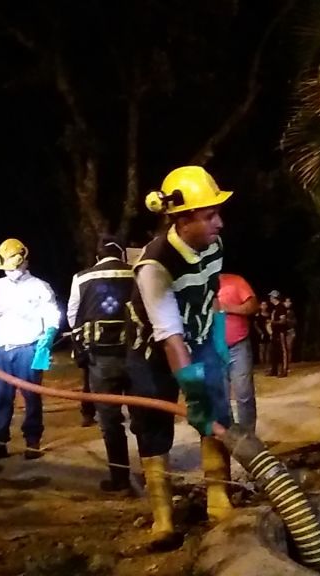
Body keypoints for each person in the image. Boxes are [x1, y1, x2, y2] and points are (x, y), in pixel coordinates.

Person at [125, 165, 234, 548]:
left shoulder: (214, 246)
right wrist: (193, 391)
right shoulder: (155, 265)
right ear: (183, 219)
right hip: (153, 354)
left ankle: (219, 498)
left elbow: (212, 297)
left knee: (217, 414)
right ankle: (163, 518)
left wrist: (217, 342)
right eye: (210, 215)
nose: (219, 223)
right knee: (154, 425)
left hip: (199, 340)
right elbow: (170, 339)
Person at [0, 238, 61, 460]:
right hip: (0, 350)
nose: (11, 272)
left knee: (31, 397)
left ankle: (32, 442)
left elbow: (52, 314)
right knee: (1, 398)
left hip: (28, 349)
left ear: (25, 261)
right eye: (7, 269)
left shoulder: (39, 286)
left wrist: (48, 336)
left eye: (14, 267)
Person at [67, 235, 136, 492]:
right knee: (143, 415)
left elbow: (72, 315)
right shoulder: (136, 273)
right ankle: (155, 475)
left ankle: (120, 478)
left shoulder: (81, 278)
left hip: (101, 357)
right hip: (135, 354)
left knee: (110, 419)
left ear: (98, 256)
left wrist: (80, 348)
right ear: (122, 254)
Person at [218, 273, 259, 433]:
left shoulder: (235, 281)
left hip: (238, 346)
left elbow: (253, 305)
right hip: (213, 350)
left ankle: (248, 437)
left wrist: (227, 307)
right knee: (221, 398)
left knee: (244, 394)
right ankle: (230, 437)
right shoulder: (198, 285)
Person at [253, 300, 272, 365]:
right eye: (262, 305)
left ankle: (267, 364)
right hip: (261, 334)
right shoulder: (257, 315)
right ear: (260, 306)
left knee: (268, 350)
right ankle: (262, 364)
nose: (264, 306)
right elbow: (255, 324)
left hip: (269, 333)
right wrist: (260, 332)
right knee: (262, 350)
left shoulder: (269, 314)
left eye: (265, 305)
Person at [282, 296, 298, 369]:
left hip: (290, 331)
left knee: (289, 348)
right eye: (286, 301)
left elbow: (295, 322)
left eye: (289, 302)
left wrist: (288, 320)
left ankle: (288, 365)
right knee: (283, 349)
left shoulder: (292, 312)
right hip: (282, 332)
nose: (288, 303)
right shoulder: (280, 311)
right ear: (283, 303)